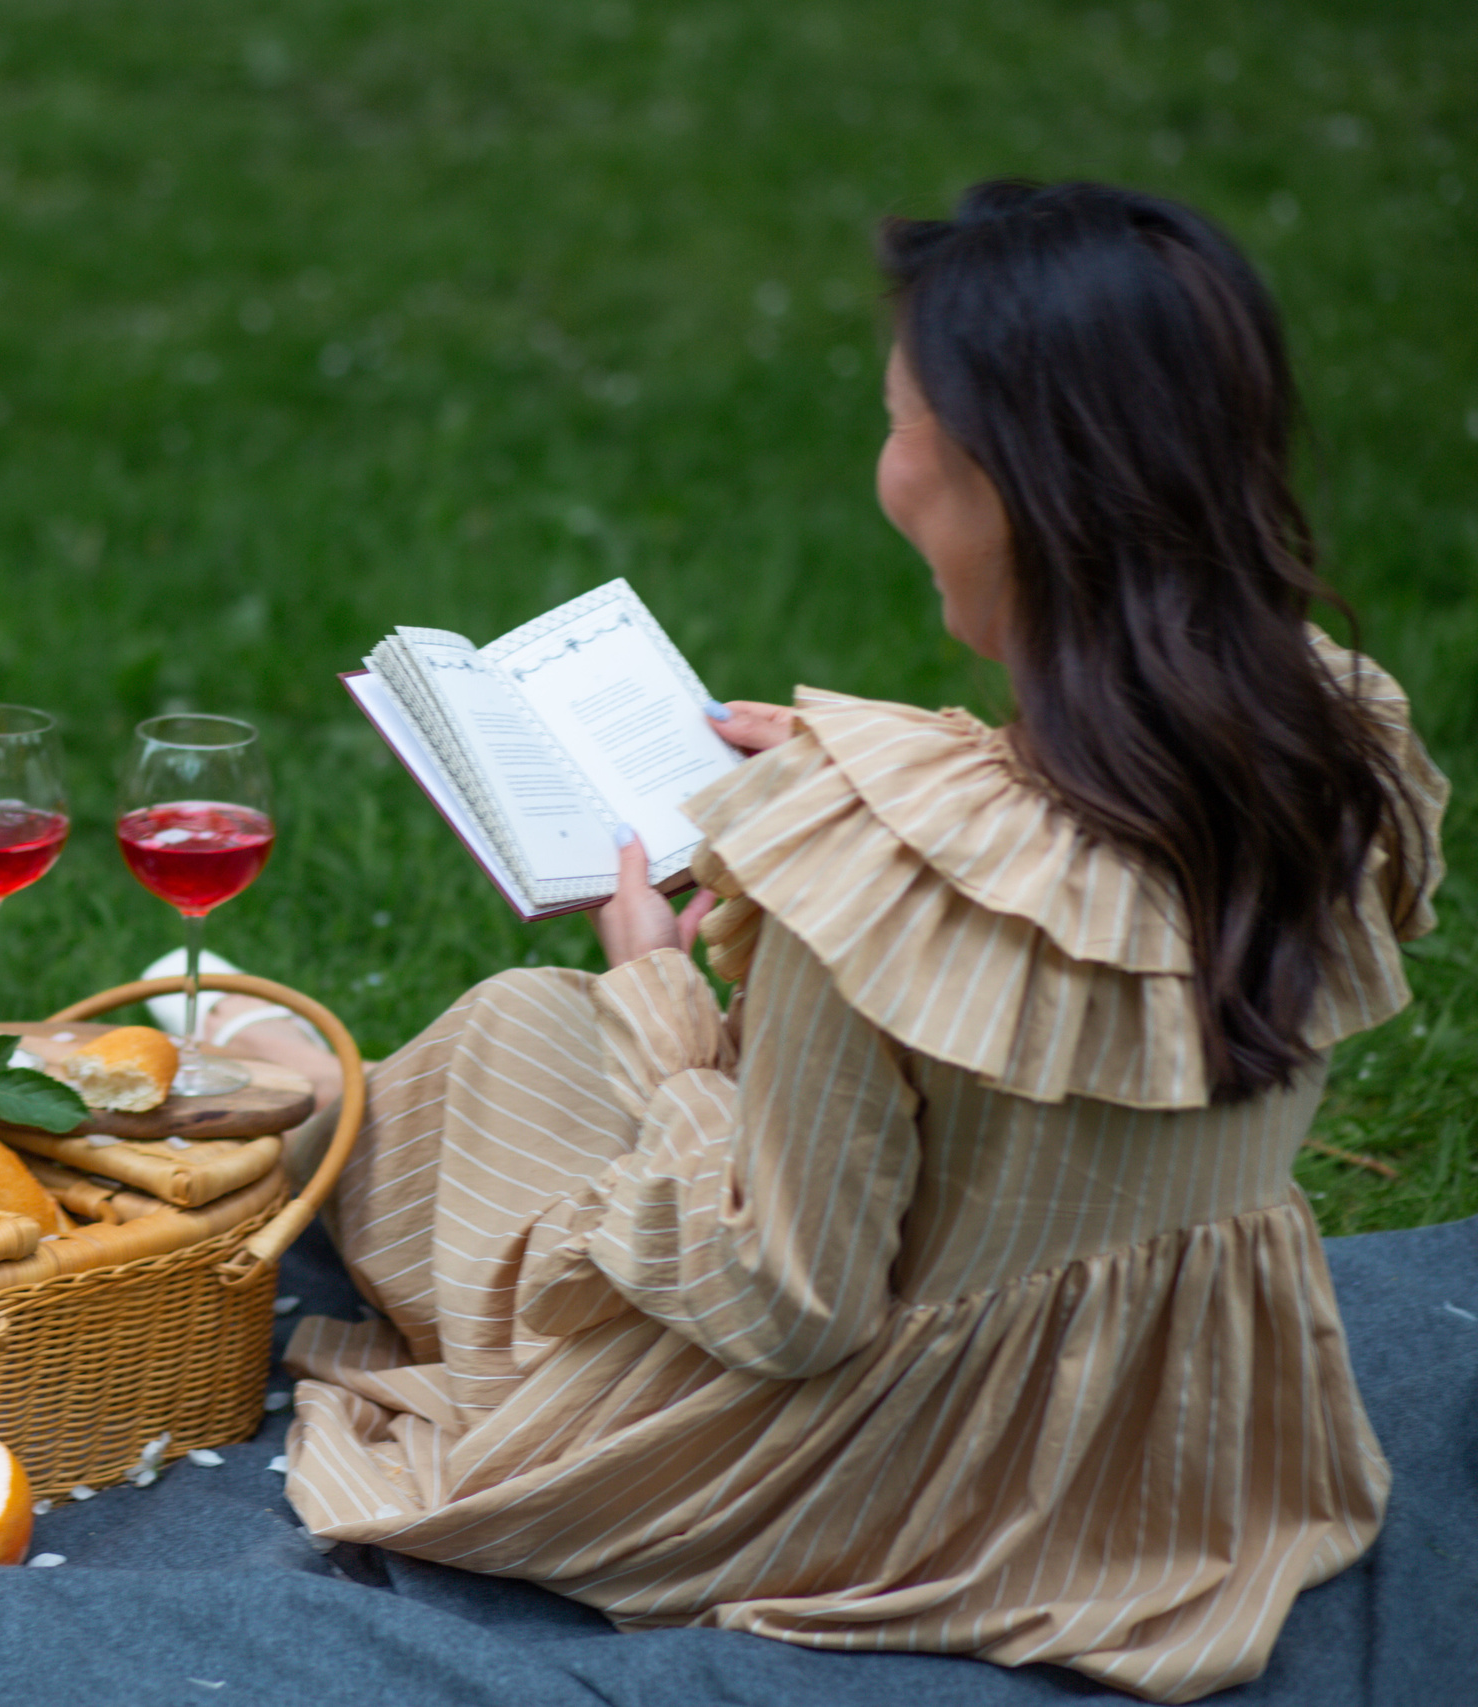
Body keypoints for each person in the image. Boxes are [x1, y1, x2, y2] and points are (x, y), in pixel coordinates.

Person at [275, 180, 1448, 1704]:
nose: (886, 469)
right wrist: (900, 796)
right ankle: (295, 1095)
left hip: (895, 1469)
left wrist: (665, 986)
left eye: (901, 424)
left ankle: (267, 1107)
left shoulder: (879, 854)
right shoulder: (1333, 738)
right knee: (547, 1041)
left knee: (520, 1035)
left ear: (1000, 488)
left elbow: (791, 1302)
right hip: (1180, 1440)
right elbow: (1096, 893)